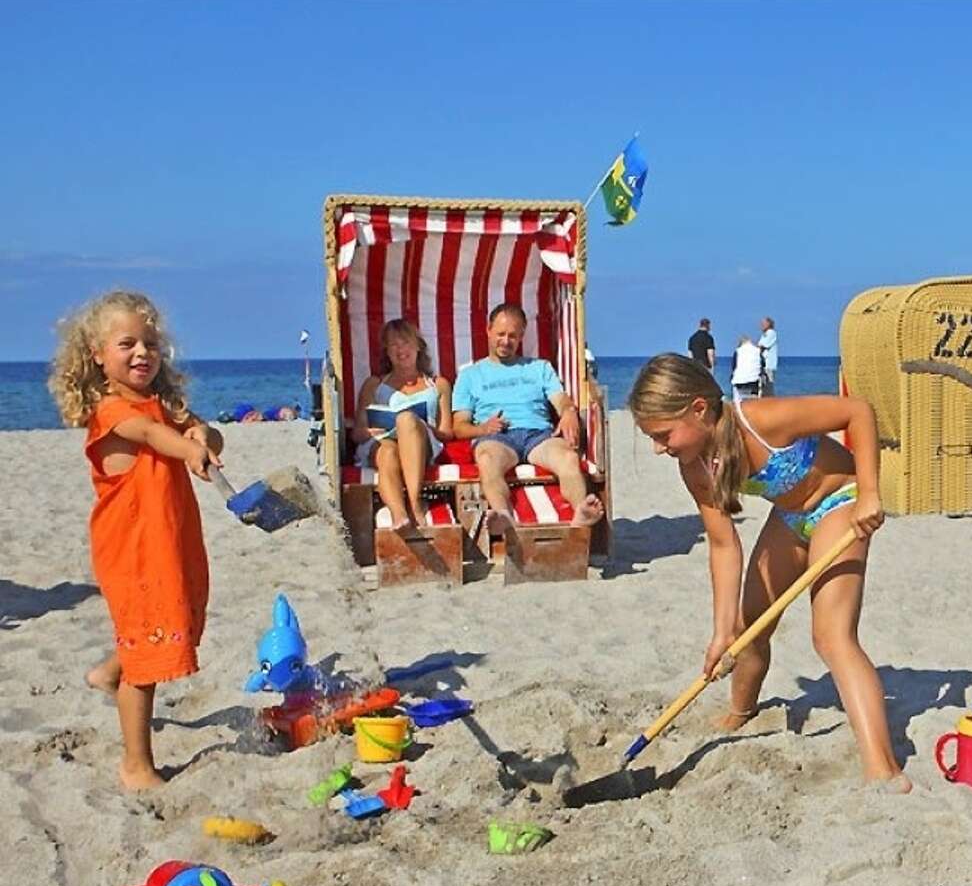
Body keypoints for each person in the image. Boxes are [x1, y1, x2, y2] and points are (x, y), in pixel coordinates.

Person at [627, 354, 908, 791]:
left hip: (841, 505)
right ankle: (741, 712)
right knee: (747, 630)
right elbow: (723, 546)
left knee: (831, 636)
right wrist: (721, 634)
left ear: (699, 409)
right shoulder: (695, 466)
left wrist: (871, 492)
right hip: (791, 517)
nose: (658, 448)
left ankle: (883, 768)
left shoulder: (760, 419)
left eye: (663, 435)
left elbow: (858, 411)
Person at [48, 291, 223, 791]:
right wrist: (186, 446)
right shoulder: (111, 411)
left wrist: (204, 437)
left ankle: (107, 671)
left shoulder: (161, 406)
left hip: (172, 541)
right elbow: (149, 435)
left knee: (174, 618)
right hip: (134, 550)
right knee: (145, 658)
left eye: (150, 342)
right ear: (98, 354)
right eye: (127, 343)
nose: (142, 352)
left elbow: (194, 429)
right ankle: (136, 764)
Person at [451, 303, 604, 529]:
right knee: (488, 460)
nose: (506, 341)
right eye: (500, 334)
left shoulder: (539, 368)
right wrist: (484, 428)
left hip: (538, 435)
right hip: (497, 438)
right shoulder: (470, 375)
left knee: (568, 458)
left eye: (513, 336)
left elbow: (559, 398)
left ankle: (581, 512)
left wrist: (568, 411)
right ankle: (504, 515)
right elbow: (459, 426)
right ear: (488, 331)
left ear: (522, 336)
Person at [352, 319, 453, 536]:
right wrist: (370, 431)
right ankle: (399, 514)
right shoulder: (374, 384)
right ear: (386, 352)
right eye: (393, 345)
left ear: (418, 346)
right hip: (382, 442)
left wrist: (423, 425)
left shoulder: (438, 385)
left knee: (406, 420)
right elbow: (357, 432)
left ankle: (415, 503)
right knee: (388, 451)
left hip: (420, 443)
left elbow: (447, 432)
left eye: (405, 342)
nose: (400, 350)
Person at [757, 316, 779, 396]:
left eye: (763, 323)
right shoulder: (765, 334)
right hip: (763, 364)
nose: (761, 325)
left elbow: (763, 345)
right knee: (763, 385)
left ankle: (770, 402)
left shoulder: (771, 333)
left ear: (769, 324)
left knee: (768, 385)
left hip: (768, 364)